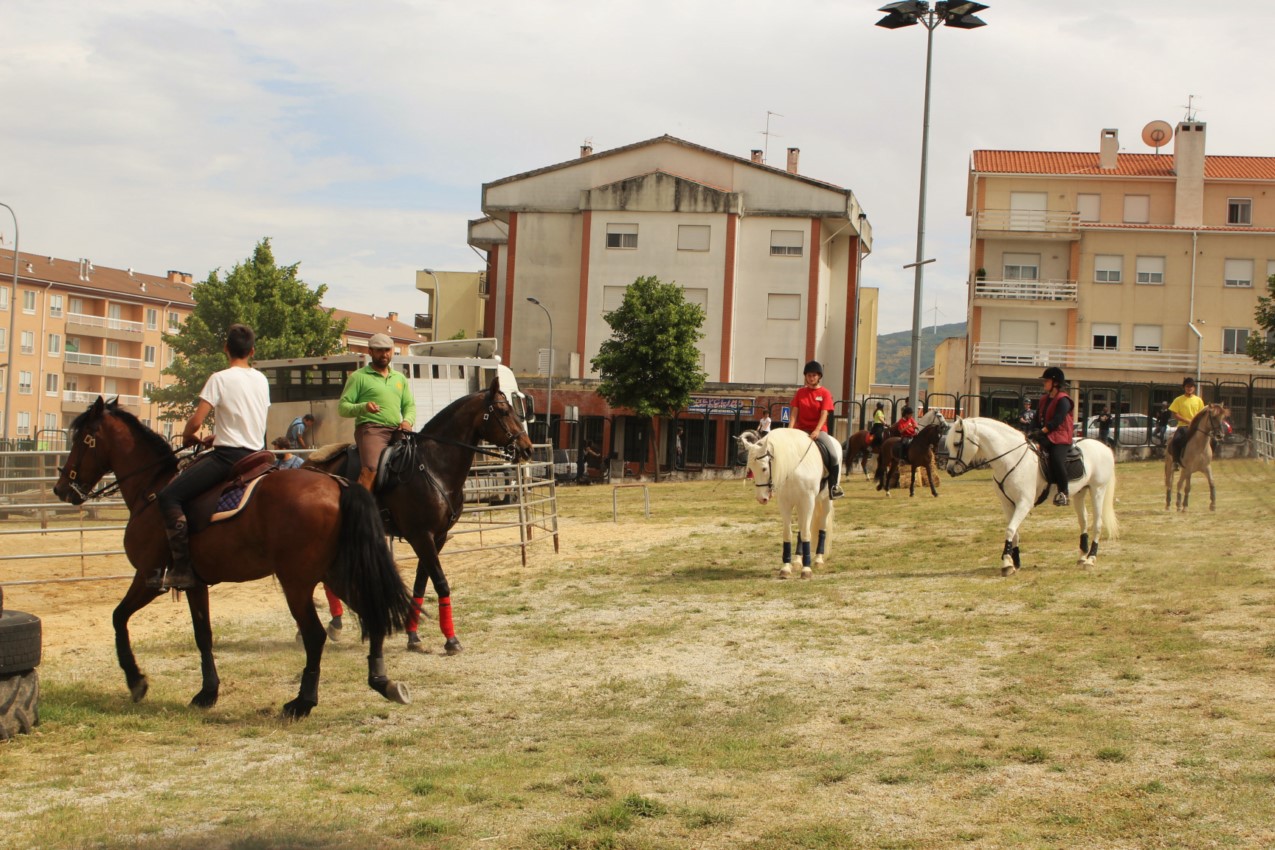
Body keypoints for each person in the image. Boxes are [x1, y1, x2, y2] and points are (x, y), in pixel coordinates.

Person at [151, 323, 270, 590]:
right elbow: (252, 418)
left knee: (170, 496)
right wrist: (219, 435)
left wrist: (187, 434)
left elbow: (196, 421)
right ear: (252, 351)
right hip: (258, 454)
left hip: (228, 457)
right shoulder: (261, 379)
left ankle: (181, 569)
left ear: (226, 349)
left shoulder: (219, 378)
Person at [338, 334, 416, 490]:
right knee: (371, 470)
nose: (384, 354)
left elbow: (409, 405)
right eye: (379, 350)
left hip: (398, 430)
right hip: (371, 430)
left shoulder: (399, 378)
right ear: (370, 352)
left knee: (417, 464)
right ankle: (360, 512)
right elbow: (343, 408)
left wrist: (407, 421)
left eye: (387, 350)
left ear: (392, 351)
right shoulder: (358, 377)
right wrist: (364, 407)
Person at [791, 360, 843, 499]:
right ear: (805, 376)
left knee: (833, 455)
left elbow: (824, 413)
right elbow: (795, 412)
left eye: (814, 375)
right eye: (808, 375)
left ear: (819, 376)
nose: (811, 377)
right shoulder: (800, 392)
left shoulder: (825, 393)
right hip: (800, 430)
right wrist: (790, 429)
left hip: (819, 431)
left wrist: (817, 430)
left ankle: (834, 487)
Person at [1030, 366, 1075, 507]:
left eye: (1046, 381)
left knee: (1056, 458)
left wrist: (1041, 431)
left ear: (1055, 383)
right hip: (1046, 435)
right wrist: (1032, 430)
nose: (1044, 383)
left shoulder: (1064, 400)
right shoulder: (1043, 399)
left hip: (1060, 437)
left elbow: (1057, 420)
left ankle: (1063, 492)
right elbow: (1036, 417)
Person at [1168, 377, 1205, 467]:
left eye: (1191, 386)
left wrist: (1196, 422)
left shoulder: (1198, 400)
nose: (1189, 388)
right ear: (1184, 387)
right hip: (1183, 426)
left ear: (1194, 388)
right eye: (1187, 386)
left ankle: (1206, 459)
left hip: (1196, 427)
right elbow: (1175, 414)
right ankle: (1176, 461)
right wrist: (1187, 420)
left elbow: (1202, 414)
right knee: (1176, 440)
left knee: (1212, 440)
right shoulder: (1178, 400)